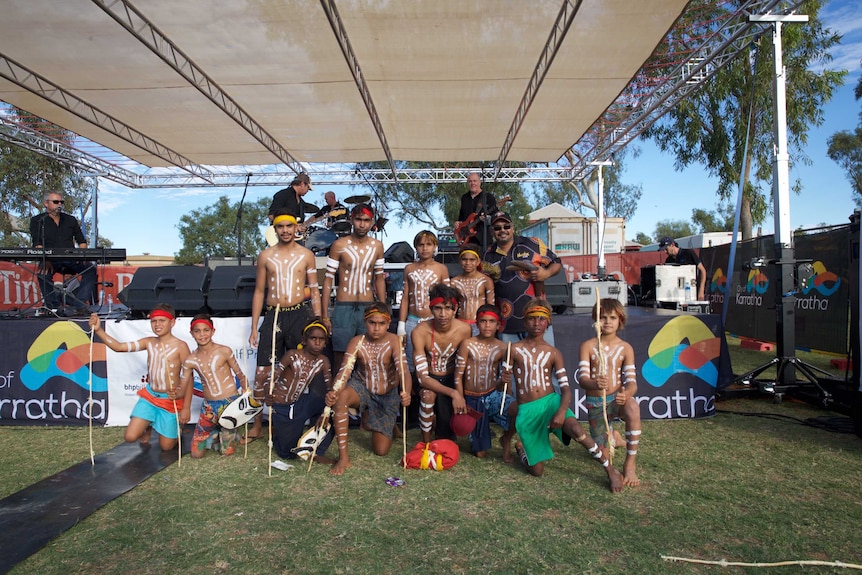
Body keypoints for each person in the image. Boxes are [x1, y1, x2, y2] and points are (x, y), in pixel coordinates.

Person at [509, 299, 622, 492]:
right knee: (537, 471)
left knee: (576, 429)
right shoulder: (513, 349)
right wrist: (503, 382)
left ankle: (609, 469)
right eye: (532, 319)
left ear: (548, 323)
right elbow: (503, 386)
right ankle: (522, 449)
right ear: (524, 321)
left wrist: (561, 412)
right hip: (528, 410)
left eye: (541, 319)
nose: (537, 323)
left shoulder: (554, 353)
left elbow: (566, 390)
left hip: (551, 403)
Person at [246, 210, 322, 443]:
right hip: (274, 315)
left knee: (296, 370)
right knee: (263, 372)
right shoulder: (265, 256)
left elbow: (315, 289)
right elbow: (259, 291)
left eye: (290, 226)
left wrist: (318, 321)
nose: (286, 231)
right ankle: (258, 423)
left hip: (299, 315)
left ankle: (293, 420)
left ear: (296, 227)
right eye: (281, 227)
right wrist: (253, 327)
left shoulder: (306, 255)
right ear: (275, 230)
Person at [88, 304, 192, 451]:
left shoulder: (181, 346)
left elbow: (189, 377)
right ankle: (148, 425)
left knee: (167, 447)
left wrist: (186, 407)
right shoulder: (149, 342)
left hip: (170, 400)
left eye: (162, 320)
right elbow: (119, 347)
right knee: (130, 437)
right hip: (150, 397)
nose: (157, 324)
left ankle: (175, 431)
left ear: (172, 322)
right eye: (154, 321)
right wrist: (98, 330)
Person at [328, 302, 410, 476]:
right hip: (362, 387)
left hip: (387, 394)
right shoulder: (357, 342)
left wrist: (406, 391)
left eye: (381, 324)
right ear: (365, 323)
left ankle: (388, 425)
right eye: (372, 323)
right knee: (341, 398)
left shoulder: (395, 340)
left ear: (388, 324)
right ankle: (344, 457)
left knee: (381, 450)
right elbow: (344, 371)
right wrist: (334, 392)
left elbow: (403, 371)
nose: (376, 328)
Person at [577, 298, 641, 487]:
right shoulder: (588, 346)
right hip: (597, 403)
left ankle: (630, 463)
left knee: (632, 407)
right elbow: (582, 379)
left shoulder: (625, 348)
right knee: (602, 456)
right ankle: (614, 438)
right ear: (595, 320)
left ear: (620, 320)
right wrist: (595, 383)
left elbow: (632, 384)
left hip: (617, 401)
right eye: (602, 317)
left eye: (612, 317)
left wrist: (626, 394)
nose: (607, 322)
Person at [321, 203, 386, 369]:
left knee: (368, 354)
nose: (362, 224)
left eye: (366, 220)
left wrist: (383, 308)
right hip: (343, 306)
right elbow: (328, 280)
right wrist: (325, 315)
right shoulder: (339, 245)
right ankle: (337, 392)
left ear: (372, 222)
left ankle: (363, 392)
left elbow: (379, 278)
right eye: (358, 219)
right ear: (351, 220)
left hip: (368, 306)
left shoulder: (377, 246)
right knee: (340, 356)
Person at [483, 213, 562, 344]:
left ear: (512, 228)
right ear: (492, 231)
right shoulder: (487, 255)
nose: (502, 230)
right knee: (511, 363)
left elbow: (556, 262)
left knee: (543, 361)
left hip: (538, 318)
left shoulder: (532, 244)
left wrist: (546, 273)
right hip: (506, 324)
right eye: (497, 228)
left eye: (506, 226)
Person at [180, 314, 248, 458]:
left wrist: (245, 392)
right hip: (209, 407)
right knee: (196, 453)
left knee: (226, 452)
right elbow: (183, 386)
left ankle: (228, 433)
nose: (202, 334)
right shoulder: (190, 360)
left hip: (230, 403)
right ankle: (216, 434)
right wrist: (176, 393)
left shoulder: (224, 351)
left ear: (213, 331)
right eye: (197, 331)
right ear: (191, 333)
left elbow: (240, 375)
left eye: (206, 330)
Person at [411, 284, 472, 443]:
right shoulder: (420, 332)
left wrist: (459, 392)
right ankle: (425, 443)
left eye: (447, 308)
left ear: (455, 309)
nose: (443, 314)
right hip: (429, 379)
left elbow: (463, 367)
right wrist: (453, 394)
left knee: (447, 438)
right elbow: (422, 378)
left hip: (452, 378)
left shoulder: (464, 330)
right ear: (431, 309)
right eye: (438, 308)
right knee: (427, 394)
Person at [267, 319, 334, 463]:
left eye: (321, 339)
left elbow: (330, 389)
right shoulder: (292, 355)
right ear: (304, 340)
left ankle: (317, 451)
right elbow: (273, 376)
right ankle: (279, 432)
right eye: (313, 338)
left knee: (331, 409)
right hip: (282, 406)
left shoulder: (323, 361)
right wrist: (269, 394)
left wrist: (326, 411)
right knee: (288, 454)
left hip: (299, 403)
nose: (317, 343)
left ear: (325, 343)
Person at [453, 304, 514, 459]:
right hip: (472, 399)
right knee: (480, 453)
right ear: (477, 323)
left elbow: (504, 383)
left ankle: (506, 439)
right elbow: (458, 376)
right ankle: (480, 434)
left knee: (519, 412)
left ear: (498, 325)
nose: (487, 325)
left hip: (492, 395)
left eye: (492, 321)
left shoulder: (503, 348)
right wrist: (460, 398)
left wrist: (504, 381)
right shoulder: (467, 344)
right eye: (483, 321)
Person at [29, 190, 97, 312]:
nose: (59, 204)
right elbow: (37, 244)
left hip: (71, 258)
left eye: (61, 202)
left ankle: (80, 305)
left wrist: (82, 256)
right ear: (46, 203)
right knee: (42, 273)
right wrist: (45, 259)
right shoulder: (38, 221)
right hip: (50, 259)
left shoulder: (70, 220)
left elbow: (82, 242)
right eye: (56, 202)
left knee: (90, 269)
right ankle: (53, 306)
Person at [397, 230, 450, 373]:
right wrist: (401, 325)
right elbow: (405, 298)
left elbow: (447, 299)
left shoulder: (441, 268)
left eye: (429, 244)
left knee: (433, 357)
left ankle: (432, 391)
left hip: (433, 320)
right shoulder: (409, 268)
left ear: (435, 247)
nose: (424, 248)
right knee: (409, 358)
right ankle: (412, 392)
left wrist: (447, 322)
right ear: (415, 247)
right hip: (412, 320)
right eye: (420, 245)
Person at [449, 242, 495, 335]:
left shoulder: (486, 281)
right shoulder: (454, 282)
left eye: (472, 260)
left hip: (480, 325)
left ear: (478, 262)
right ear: (460, 261)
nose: (468, 263)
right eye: (464, 259)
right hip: (460, 323)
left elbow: (491, 308)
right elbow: (450, 307)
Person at [455, 172, 499, 249]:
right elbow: (462, 217)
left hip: (483, 240)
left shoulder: (488, 197)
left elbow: (496, 216)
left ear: (480, 182)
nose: (472, 183)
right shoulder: (464, 198)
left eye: (475, 181)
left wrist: (487, 218)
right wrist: (458, 223)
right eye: (470, 181)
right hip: (467, 240)